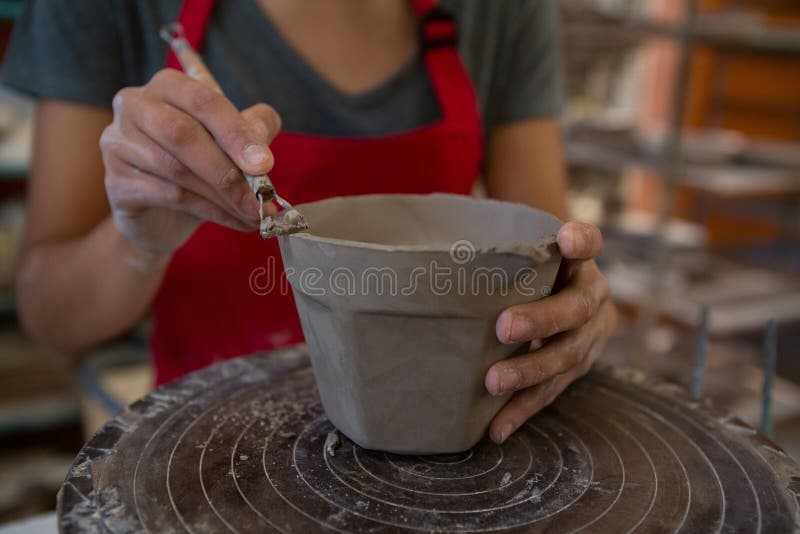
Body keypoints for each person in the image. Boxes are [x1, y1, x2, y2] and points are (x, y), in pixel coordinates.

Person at [1, 0, 617, 445]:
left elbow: (552, 259)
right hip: (216, 449)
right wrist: (136, 241)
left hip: (459, 445)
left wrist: (580, 310)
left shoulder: (500, 11)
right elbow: (51, 317)